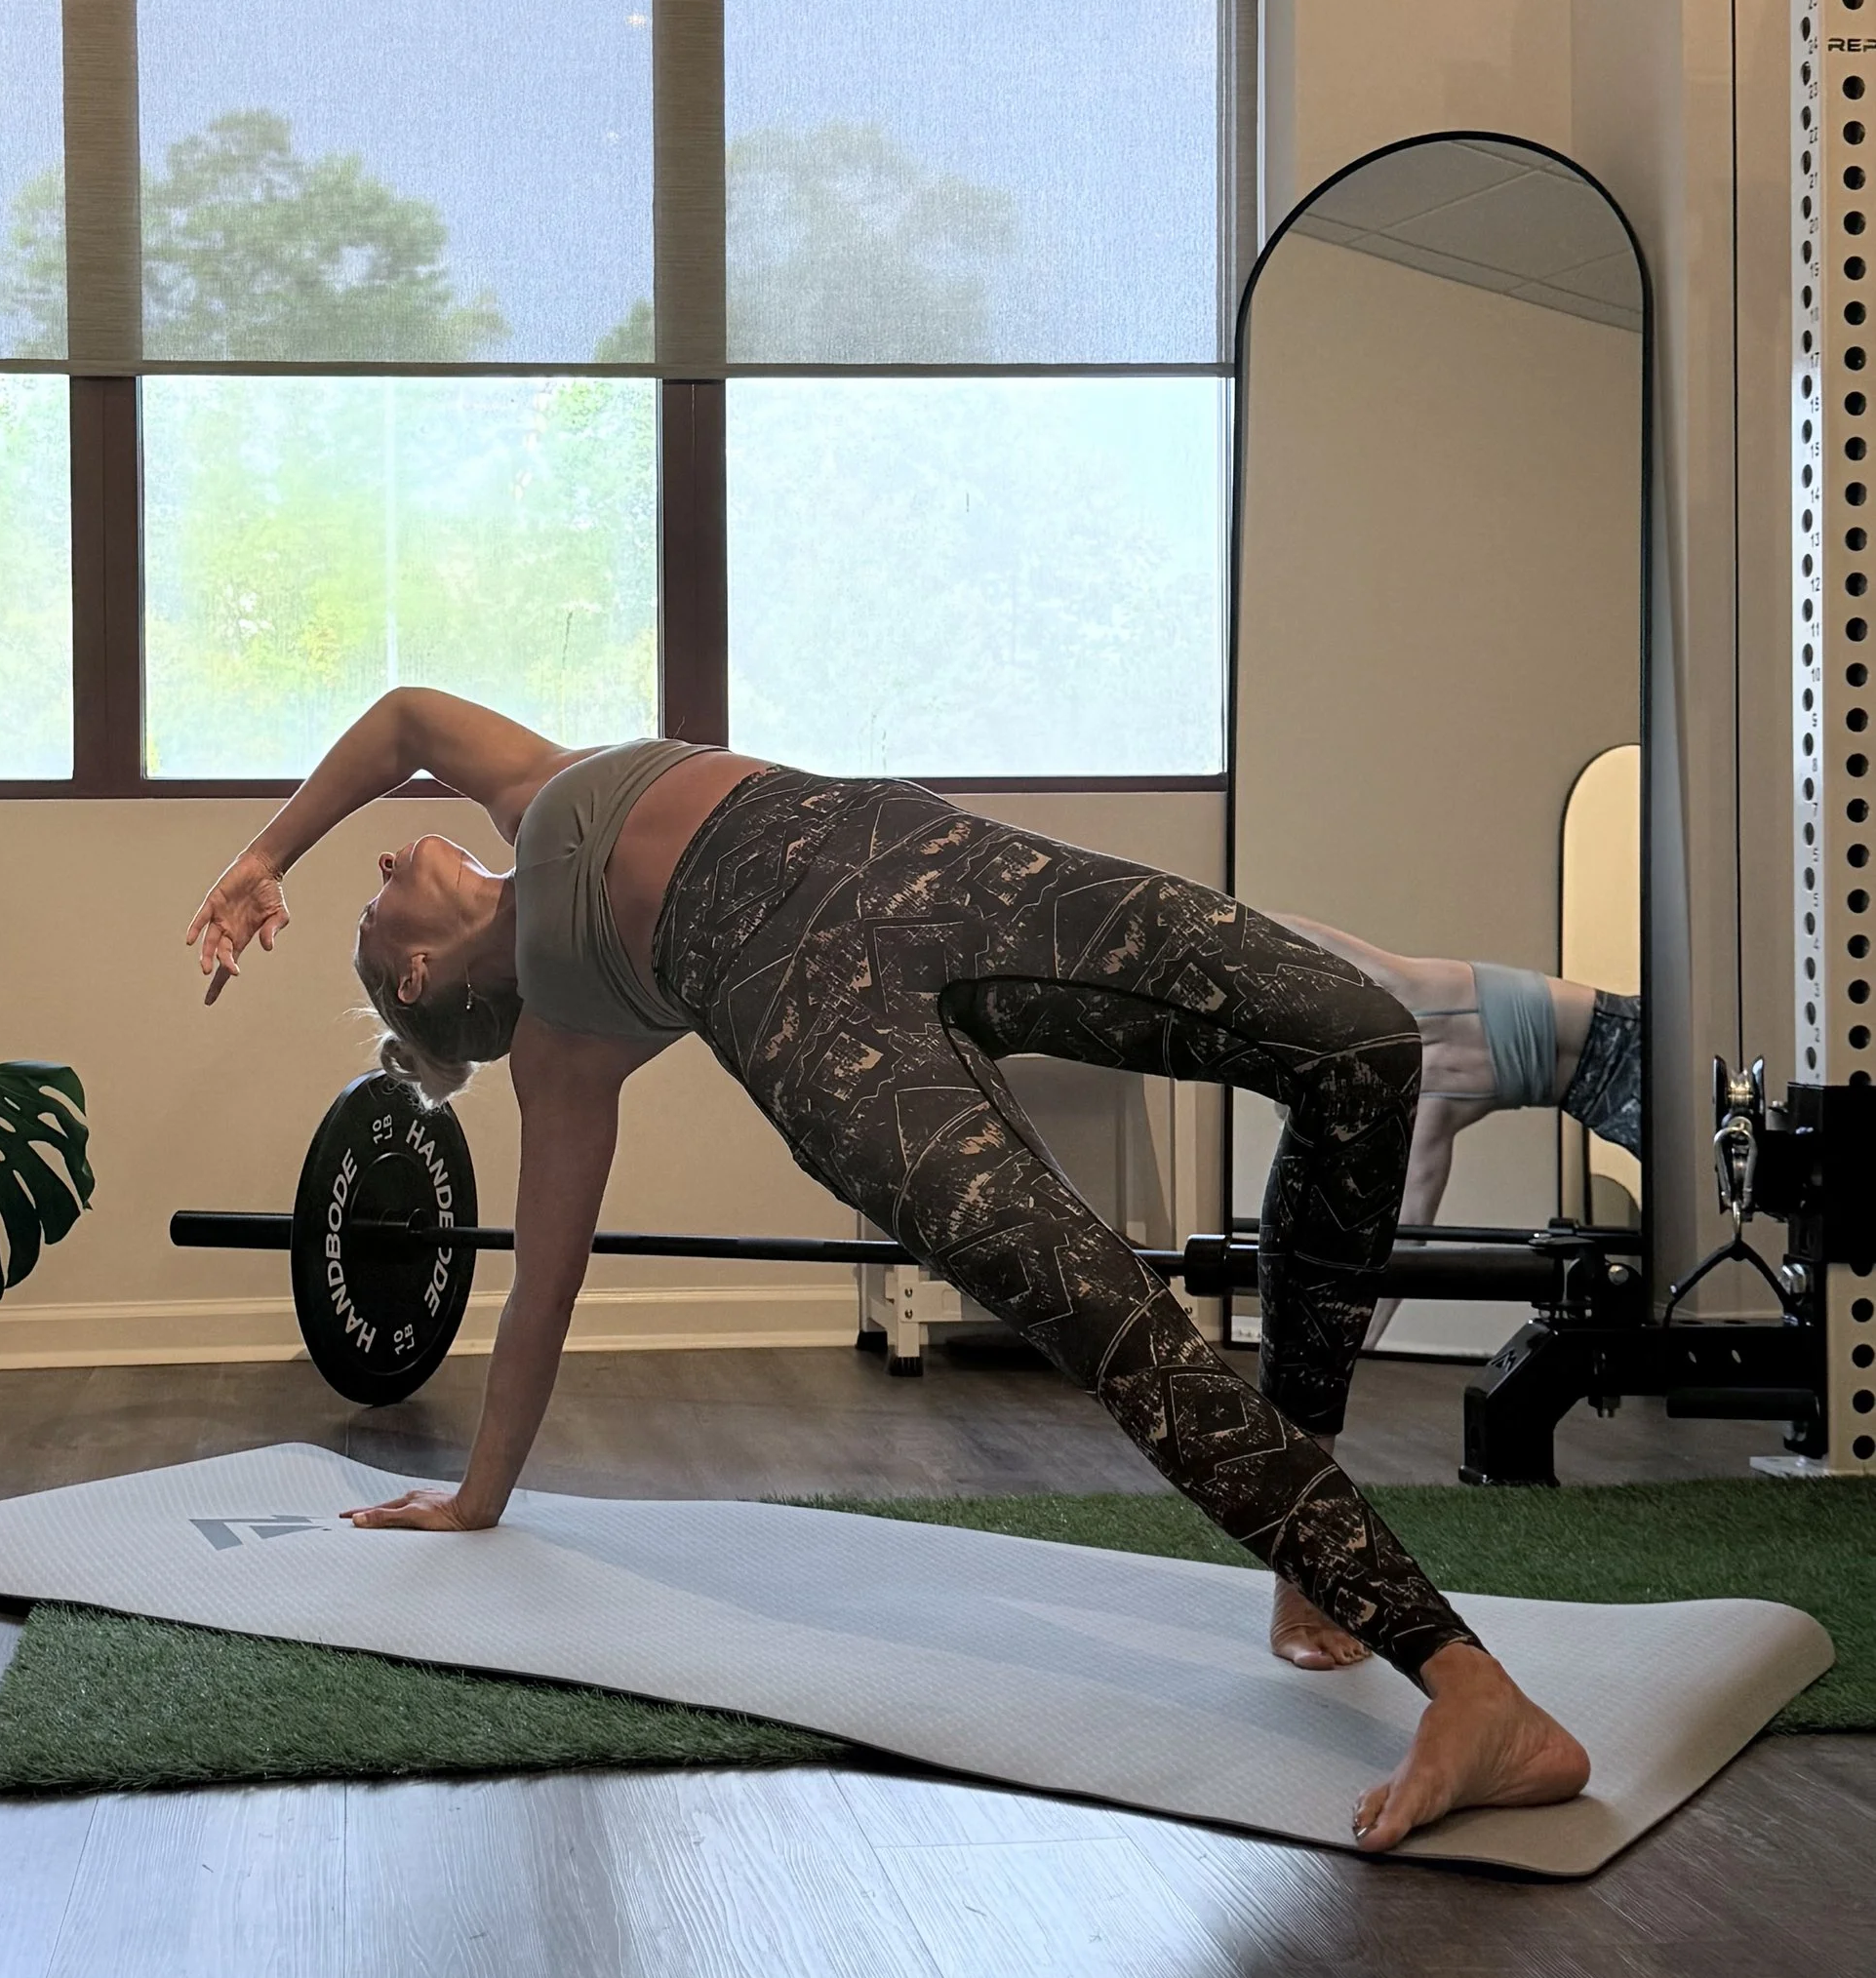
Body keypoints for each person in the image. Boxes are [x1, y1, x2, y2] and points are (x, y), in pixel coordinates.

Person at [186, 695, 1589, 1854]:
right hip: (814, 1026)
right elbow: (540, 1293)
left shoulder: (531, 789)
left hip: (910, 849)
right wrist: (479, 1497)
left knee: (1361, 1042)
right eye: (379, 916)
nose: (377, 875)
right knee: (1100, 1299)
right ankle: (1465, 1686)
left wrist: (269, 856)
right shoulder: (563, 1046)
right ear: (423, 979)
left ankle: (1313, 1555)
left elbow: (403, 722)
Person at [1272, 914, 1641, 1340]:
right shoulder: (1425, 1103)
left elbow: (1284, 935)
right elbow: (1405, 1238)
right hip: (1603, 1103)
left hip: (1625, 1034)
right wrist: (1358, 1344)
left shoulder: (1399, 992)